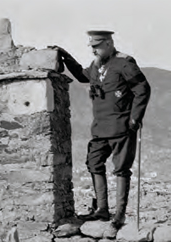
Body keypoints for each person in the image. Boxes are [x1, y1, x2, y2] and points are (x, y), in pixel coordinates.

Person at [49, 30, 151, 228]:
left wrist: (134, 119)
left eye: (97, 46)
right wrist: (66, 56)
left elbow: (142, 89)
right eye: (92, 47)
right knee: (94, 162)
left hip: (122, 126)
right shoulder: (97, 66)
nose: (94, 50)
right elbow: (81, 76)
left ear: (109, 43)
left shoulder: (124, 63)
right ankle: (102, 210)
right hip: (100, 127)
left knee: (121, 169)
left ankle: (119, 215)